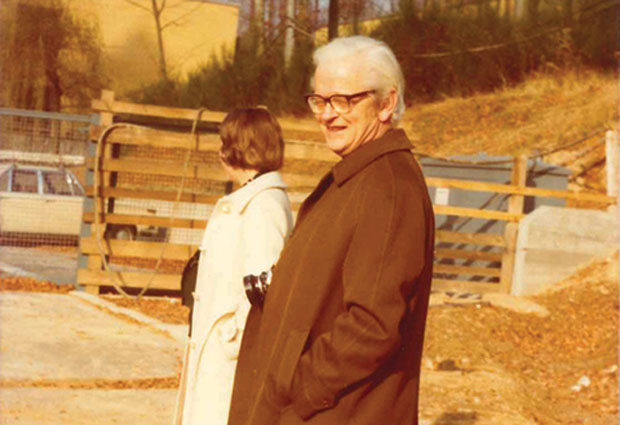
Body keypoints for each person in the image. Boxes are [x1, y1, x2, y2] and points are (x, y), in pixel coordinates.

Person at [227, 36, 435, 425]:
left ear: (387, 103)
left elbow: (372, 324)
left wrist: (300, 393)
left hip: (336, 413)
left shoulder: (387, 188)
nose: (327, 114)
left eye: (344, 100)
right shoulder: (358, 177)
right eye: (320, 101)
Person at [173, 108, 294, 425]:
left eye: (225, 143)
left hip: (231, 357)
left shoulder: (263, 205)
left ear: (242, 148)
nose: (219, 152)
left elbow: (266, 285)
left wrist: (232, 338)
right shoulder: (248, 198)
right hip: (218, 347)